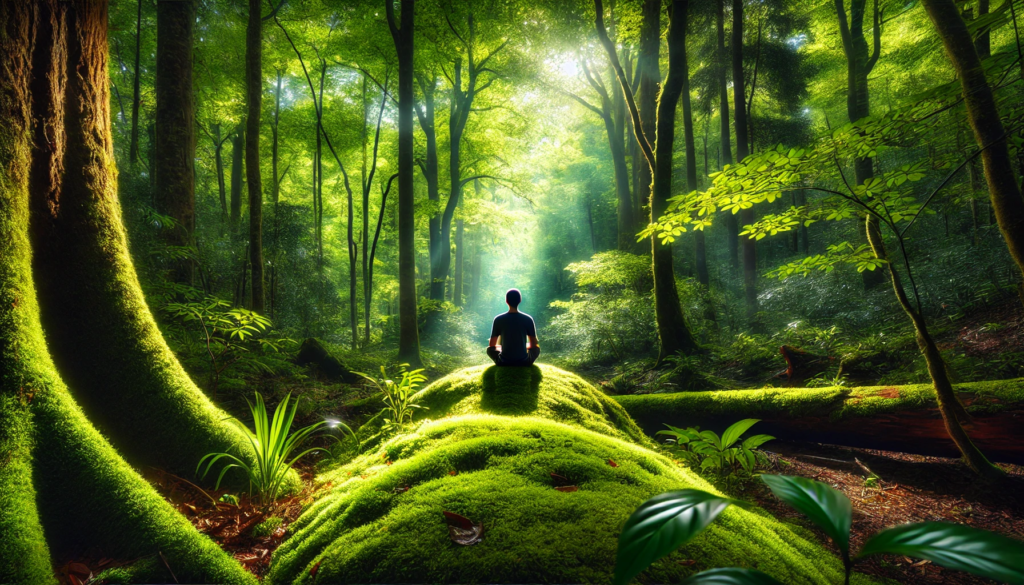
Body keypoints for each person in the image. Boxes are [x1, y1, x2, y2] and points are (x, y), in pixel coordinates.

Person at [487, 288, 540, 366]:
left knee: (489, 350)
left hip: (504, 362)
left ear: (506, 301)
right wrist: (521, 346)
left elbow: (492, 344)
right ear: (520, 300)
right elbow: (534, 344)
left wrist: (504, 348)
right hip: (524, 362)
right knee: (536, 349)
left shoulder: (498, 319)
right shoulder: (528, 319)